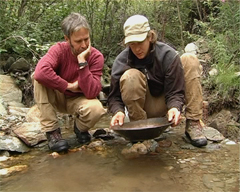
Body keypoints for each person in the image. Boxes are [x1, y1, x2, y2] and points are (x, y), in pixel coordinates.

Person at [107, 15, 207, 147]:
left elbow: (175, 91)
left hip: (164, 103)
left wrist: (175, 107)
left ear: (150, 37)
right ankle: (140, 131)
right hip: (140, 111)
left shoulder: (167, 55)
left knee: (189, 59)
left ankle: (193, 123)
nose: (137, 49)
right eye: (132, 44)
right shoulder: (121, 61)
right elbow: (113, 97)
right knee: (131, 76)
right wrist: (118, 111)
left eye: (140, 42)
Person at [33, 12, 106, 152]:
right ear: (67, 39)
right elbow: (41, 72)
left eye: (87, 39)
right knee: (37, 78)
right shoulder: (59, 50)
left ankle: (79, 129)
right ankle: (52, 132)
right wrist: (68, 86)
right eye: (78, 41)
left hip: (79, 99)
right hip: (57, 96)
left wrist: (82, 62)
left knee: (97, 109)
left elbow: (92, 92)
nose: (84, 45)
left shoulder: (96, 56)